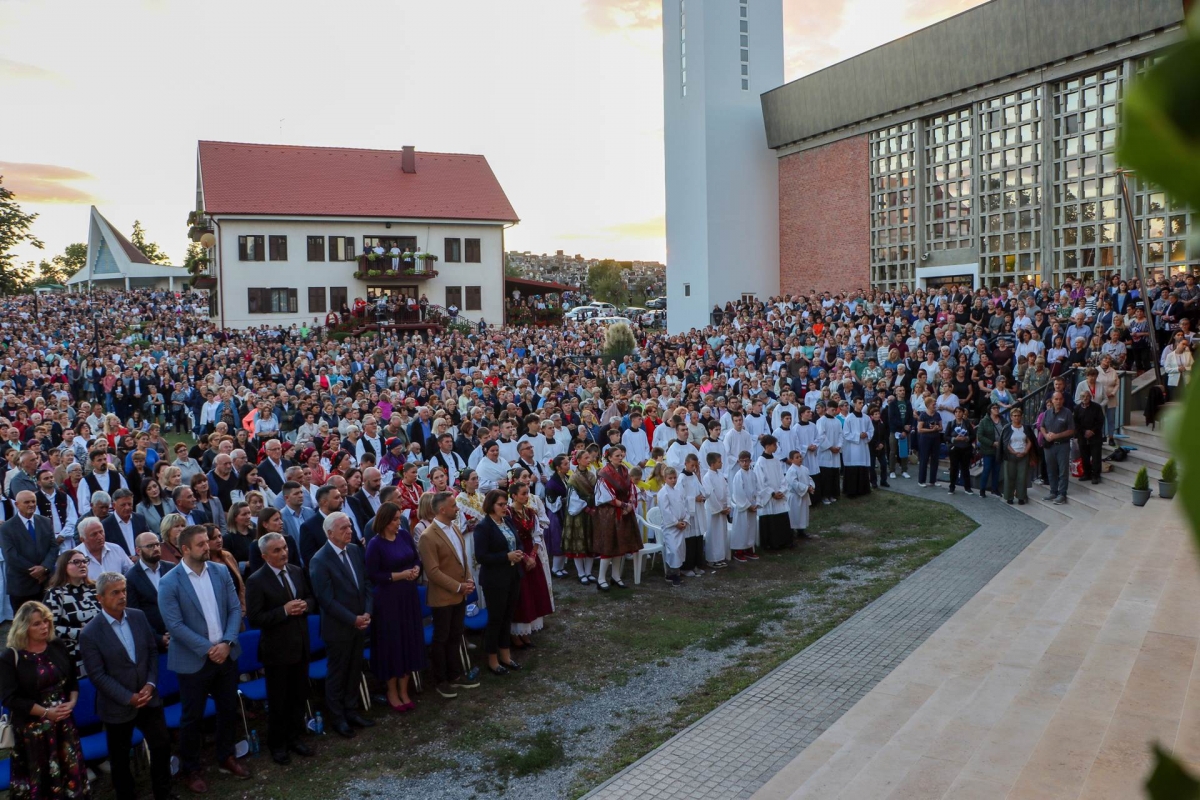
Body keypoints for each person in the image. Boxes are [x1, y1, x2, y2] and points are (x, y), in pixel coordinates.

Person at [158, 524, 250, 791]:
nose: (207, 547)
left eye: (207, 542)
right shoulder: (169, 581)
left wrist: (226, 643)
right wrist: (209, 649)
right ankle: (192, 768)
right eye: (200, 544)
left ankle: (226, 756)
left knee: (227, 708)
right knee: (192, 717)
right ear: (184, 549)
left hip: (226, 653)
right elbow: (174, 625)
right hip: (193, 660)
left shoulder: (220, 571)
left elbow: (234, 609)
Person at [79, 571, 172, 800]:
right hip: (118, 706)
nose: (122, 596)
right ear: (100, 598)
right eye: (115, 593)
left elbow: (151, 652)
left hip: (148, 698)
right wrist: (128, 697)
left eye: (124, 591)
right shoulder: (90, 633)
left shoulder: (138, 616)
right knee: (120, 758)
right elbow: (98, 676)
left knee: (161, 746)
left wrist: (150, 684)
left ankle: (164, 792)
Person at [0, 601, 89, 800]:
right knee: (42, 784)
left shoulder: (56, 645)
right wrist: (46, 712)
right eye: (37, 624)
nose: (44, 627)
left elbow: (73, 679)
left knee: (71, 777)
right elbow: (9, 698)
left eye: (46, 621)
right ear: (23, 627)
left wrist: (72, 702)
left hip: (64, 725)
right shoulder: (10, 657)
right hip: (34, 732)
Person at [245, 532, 316, 765]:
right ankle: (277, 744)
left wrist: (305, 605)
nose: (283, 552)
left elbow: (311, 598)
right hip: (277, 650)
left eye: (284, 547)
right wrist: (284, 611)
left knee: (298, 696)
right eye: (277, 550)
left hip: (301, 645)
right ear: (265, 556)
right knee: (278, 701)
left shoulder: (296, 570)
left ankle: (295, 737)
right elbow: (255, 618)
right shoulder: (256, 580)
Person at [308, 512, 374, 737]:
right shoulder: (320, 559)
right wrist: (352, 619)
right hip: (339, 628)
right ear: (330, 533)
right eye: (344, 528)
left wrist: (366, 612)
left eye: (350, 526)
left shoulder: (355, 550)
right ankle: (337, 718)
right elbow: (325, 599)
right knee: (338, 673)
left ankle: (352, 709)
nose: (350, 531)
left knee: (355, 669)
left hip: (359, 622)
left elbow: (365, 583)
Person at [416, 492, 480, 699]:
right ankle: (440, 680)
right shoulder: (428, 536)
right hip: (443, 597)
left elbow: (462, 558)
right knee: (441, 639)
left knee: (455, 635)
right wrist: (458, 587)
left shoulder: (454, 528)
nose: (457, 508)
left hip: (459, 593)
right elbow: (432, 571)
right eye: (453, 505)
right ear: (442, 509)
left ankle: (455, 675)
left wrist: (468, 579)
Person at [364, 502, 426, 712]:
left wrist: (416, 568)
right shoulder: (375, 544)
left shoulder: (404, 536)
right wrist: (400, 575)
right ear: (384, 521)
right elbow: (373, 575)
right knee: (392, 644)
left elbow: (416, 557)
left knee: (408, 640)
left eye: (399, 518)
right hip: (388, 600)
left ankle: (404, 688)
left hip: (408, 596)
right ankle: (392, 690)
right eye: (395, 520)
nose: (398, 523)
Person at [472, 489, 525, 676]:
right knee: (496, 618)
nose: (504, 508)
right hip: (495, 579)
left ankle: (506, 655)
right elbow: (482, 556)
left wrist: (518, 552)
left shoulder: (507, 521)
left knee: (508, 616)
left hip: (512, 575)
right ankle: (492, 659)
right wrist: (506, 556)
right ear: (490, 506)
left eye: (505, 504)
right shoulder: (483, 527)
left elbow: (517, 542)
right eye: (500, 505)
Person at [42, 551, 102, 676]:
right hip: (74, 654)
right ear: (64, 566)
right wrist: (82, 632)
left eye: (84, 561)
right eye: (76, 562)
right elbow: (49, 628)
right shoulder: (56, 594)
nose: (82, 565)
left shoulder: (95, 588)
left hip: (101, 649)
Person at [591, 445, 640, 591]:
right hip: (609, 514)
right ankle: (601, 579)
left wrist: (630, 503)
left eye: (621, 455)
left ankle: (616, 576)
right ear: (609, 457)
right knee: (609, 546)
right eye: (617, 456)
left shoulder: (624, 470)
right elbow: (605, 497)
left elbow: (631, 487)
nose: (620, 458)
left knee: (621, 545)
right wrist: (624, 505)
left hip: (623, 512)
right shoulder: (604, 473)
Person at [2, 490, 58, 612]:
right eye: (27, 502)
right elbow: (11, 556)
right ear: (17, 505)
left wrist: (44, 568)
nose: (31, 504)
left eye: (33, 501)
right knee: (24, 625)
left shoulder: (45, 521)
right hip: (21, 585)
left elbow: (53, 547)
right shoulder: (7, 528)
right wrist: (35, 571)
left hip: (45, 583)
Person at [123, 531, 174, 651]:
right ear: (138, 551)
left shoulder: (171, 568)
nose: (156, 548)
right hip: (154, 642)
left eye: (157, 544)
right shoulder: (130, 578)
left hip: (179, 634)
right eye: (150, 546)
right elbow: (134, 615)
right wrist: (158, 638)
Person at [561, 452, 596, 584]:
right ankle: (581, 573)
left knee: (590, 541)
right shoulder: (573, 478)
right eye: (586, 458)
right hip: (578, 514)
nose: (589, 459)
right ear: (579, 460)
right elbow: (573, 499)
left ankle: (588, 572)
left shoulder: (592, 475)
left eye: (589, 457)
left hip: (591, 512)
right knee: (579, 543)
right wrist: (586, 508)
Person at [1040, 391, 1075, 506]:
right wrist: (1046, 436)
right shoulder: (1047, 413)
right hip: (1049, 446)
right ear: (1052, 400)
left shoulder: (1067, 413)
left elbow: (1071, 430)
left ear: (1063, 400)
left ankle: (1062, 493)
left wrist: (1056, 436)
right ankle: (1053, 491)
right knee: (1051, 470)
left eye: (1060, 399)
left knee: (1063, 470)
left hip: (1062, 445)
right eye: (1056, 399)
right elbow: (1042, 427)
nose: (1058, 401)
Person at [74, 516, 133, 581]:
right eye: (94, 534)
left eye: (101, 532)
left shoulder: (116, 550)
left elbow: (131, 573)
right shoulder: (74, 557)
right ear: (82, 539)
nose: (100, 537)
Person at [701, 452, 731, 567]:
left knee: (721, 534)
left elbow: (727, 490)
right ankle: (712, 558)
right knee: (713, 534)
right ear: (712, 463)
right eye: (719, 461)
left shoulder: (720, 475)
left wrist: (727, 505)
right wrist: (719, 509)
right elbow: (710, 495)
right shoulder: (707, 477)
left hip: (723, 508)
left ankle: (720, 556)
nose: (721, 463)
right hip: (714, 510)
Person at [730, 451, 760, 562]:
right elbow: (739, 493)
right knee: (741, 528)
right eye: (742, 461)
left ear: (750, 461)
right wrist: (747, 506)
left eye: (746, 460)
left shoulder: (753, 474)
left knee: (751, 528)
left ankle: (748, 549)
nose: (745, 463)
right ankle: (739, 551)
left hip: (752, 505)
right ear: (739, 462)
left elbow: (757, 488)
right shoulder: (738, 476)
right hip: (743, 508)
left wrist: (756, 503)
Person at [101, 487, 149, 558]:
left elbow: (147, 541)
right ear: (114, 505)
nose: (127, 507)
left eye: (129, 504)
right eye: (123, 505)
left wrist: (139, 557)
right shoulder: (106, 525)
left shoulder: (140, 519)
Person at [840, 398, 873, 497]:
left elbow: (871, 430)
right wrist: (858, 435)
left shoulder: (866, 418)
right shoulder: (849, 418)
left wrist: (866, 434)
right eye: (859, 403)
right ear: (854, 404)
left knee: (862, 468)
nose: (861, 404)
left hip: (863, 447)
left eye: (862, 403)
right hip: (852, 448)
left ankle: (863, 490)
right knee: (853, 469)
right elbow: (845, 434)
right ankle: (851, 491)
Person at [1002, 406, 1034, 506]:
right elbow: (1005, 442)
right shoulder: (1007, 428)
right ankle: (1009, 497)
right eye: (1014, 416)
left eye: (1018, 416)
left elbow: (1030, 441)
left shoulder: (1026, 428)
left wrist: (1025, 451)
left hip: (1023, 455)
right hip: (1011, 455)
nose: (1016, 418)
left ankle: (1021, 497)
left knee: (1022, 477)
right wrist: (1013, 452)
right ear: (1011, 417)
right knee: (1009, 476)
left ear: (1021, 417)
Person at [1074, 388, 1106, 485]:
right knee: (1084, 456)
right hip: (1082, 436)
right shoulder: (1077, 408)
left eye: (1088, 396)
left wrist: (1092, 431)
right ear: (1080, 398)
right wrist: (1084, 432)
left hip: (1095, 436)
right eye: (1083, 396)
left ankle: (1096, 476)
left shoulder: (1097, 407)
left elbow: (1101, 420)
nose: (1085, 398)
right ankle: (1086, 474)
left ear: (1091, 397)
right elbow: (1075, 422)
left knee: (1096, 457)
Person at [784, 450, 816, 539]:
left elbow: (809, 478)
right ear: (791, 460)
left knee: (802, 514)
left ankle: (801, 531)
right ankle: (792, 532)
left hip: (803, 495)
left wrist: (811, 486)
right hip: (795, 496)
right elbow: (794, 483)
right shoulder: (791, 470)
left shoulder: (804, 469)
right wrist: (806, 488)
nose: (799, 459)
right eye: (797, 457)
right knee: (795, 514)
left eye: (800, 457)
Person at [915, 396, 942, 488]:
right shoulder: (923, 415)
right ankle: (921, 480)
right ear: (928, 405)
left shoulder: (937, 414)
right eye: (933, 404)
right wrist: (931, 430)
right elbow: (920, 429)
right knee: (924, 459)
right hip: (925, 439)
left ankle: (933, 480)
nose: (935, 405)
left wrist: (937, 428)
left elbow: (941, 427)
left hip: (936, 438)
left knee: (935, 460)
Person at [946, 406, 975, 495]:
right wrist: (954, 439)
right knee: (954, 468)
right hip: (955, 449)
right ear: (954, 413)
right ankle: (952, 487)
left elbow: (973, 435)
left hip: (965, 449)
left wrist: (966, 438)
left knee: (965, 468)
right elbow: (946, 436)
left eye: (960, 412)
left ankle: (967, 487)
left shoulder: (967, 423)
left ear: (963, 413)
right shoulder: (951, 423)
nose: (958, 414)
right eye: (956, 412)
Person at [977, 404, 1003, 499]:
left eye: (997, 408)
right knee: (987, 469)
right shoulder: (984, 421)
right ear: (990, 410)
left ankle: (994, 489)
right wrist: (992, 443)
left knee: (997, 470)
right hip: (988, 449)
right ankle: (982, 490)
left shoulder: (1002, 420)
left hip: (1000, 450)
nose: (996, 410)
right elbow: (980, 436)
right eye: (994, 408)